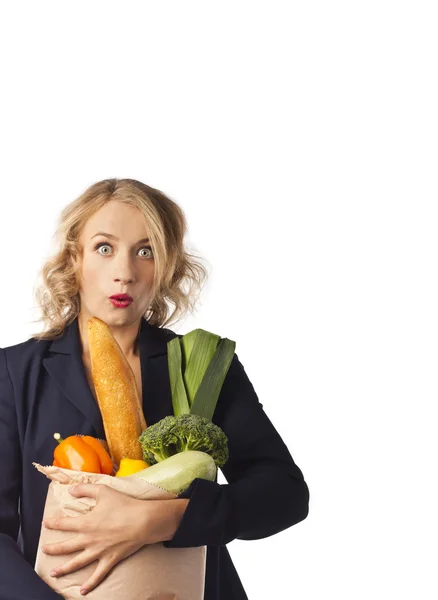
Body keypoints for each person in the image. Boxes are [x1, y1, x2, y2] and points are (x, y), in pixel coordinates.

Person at [0, 178, 309, 599]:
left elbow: (284, 494)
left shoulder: (204, 366)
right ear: (75, 258)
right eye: (104, 248)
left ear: (166, 265)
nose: (124, 273)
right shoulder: (14, 372)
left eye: (145, 251)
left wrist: (163, 521)